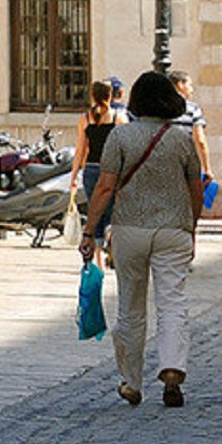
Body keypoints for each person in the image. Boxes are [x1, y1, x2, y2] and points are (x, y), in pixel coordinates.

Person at [80, 71, 204, 409]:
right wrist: (190, 227)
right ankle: (173, 371)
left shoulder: (121, 137)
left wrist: (89, 230)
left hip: (130, 229)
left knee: (131, 307)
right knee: (173, 302)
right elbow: (196, 188)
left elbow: (105, 187)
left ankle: (131, 382)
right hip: (173, 229)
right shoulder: (182, 139)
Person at [69, 80, 128, 259]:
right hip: (112, 170)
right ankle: (112, 246)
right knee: (111, 211)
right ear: (110, 96)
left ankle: (98, 259)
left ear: (92, 96)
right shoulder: (119, 118)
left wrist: (74, 175)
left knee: (95, 211)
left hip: (91, 170)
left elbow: (80, 150)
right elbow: (124, 148)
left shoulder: (85, 119)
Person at [169, 70, 213, 184]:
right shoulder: (192, 109)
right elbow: (200, 141)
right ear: (180, 85)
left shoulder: (159, 108)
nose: (192, 89)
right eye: (190, 85)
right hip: (184, 164)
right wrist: (207, 169)